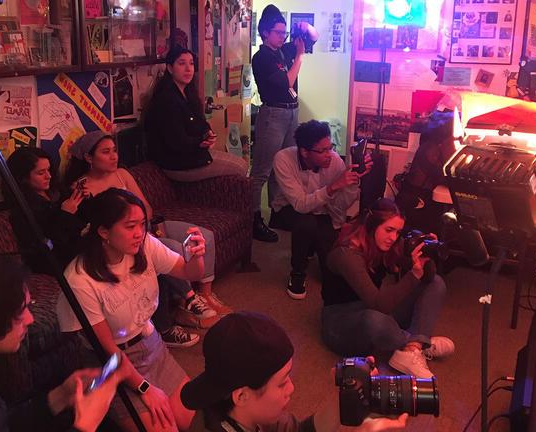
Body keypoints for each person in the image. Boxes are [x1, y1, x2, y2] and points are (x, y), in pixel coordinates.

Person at [0, 255, 130, 432]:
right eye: (19, 311)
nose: (30, 319)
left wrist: (59, 397)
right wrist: (85, 425)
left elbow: (3, 423)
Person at [56, 188, 202, 431]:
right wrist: (145, 388)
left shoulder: (144, 244)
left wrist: (196, 256)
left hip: (152, 346)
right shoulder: (80, 279)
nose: (139, 233)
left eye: (142, 224)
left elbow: (190, 273)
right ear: (103, 231)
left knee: (196, 422)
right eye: (130, 226)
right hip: (112, 366)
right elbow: (109, 350)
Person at [65, 131, 230, 339]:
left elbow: (147, 208)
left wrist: (140, 224)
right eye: (106, 152)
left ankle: (202, 294)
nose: (114, 156)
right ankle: (188, 300)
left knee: (202, 236)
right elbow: (90, 228)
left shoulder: (122, 174)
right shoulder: (81, 188)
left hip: (148, 227)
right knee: (169, 250)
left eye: (114, 151)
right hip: (121, 242)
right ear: (89, 158)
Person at [180, 311, 408, 432]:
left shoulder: (252, 414)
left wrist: (343, 398)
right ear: (241, 395)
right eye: (281, 383)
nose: (292, 388)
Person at [321, 198, 455, 378]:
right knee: (374, 319)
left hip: (372, 309)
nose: (393, 237)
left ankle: (412, 349)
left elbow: (428, 277)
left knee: (436, 283)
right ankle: (419, 343)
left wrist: (426, 254)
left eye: (398, 232)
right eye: (389, 230)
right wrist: (413, 275)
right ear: (371, 225)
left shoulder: (388, 244)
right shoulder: (347, 254)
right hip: (340, 324)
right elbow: (379, 305)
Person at [270, 120, 373, 300]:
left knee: (330, 272)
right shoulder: (283, 159)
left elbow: (341, 206)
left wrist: (353, 182)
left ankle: (310, 246)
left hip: (324, 212)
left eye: (330, 147)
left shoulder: (335, 162)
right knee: (306, 223)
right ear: (304, 151)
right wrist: (332, 187)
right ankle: (297, 273)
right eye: (322, 150)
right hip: (290, 209)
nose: (329, 154)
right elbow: (300, 204)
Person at [144, 45, 248, 181]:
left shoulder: (188, 93)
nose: (188, 69)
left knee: (242, 164)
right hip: (176, 163)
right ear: (170, 68)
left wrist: (208, 134)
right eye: (181, 64)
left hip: (193, 154)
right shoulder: (166, 99)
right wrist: (200, 141)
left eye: (191, 64)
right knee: (240, 167)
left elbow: (200, 123)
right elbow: (176, 142)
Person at [249, 5, 308, 243]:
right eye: (278, 32)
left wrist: (303, 29)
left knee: (283, 166)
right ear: (265, 33)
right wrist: (300, 57)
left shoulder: (281, 51)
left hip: (291, 113)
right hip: (273, 114)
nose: (282, 37)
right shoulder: (262, 57)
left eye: (284, 32)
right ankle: (253, 219)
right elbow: (286, 82)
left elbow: (311, 37)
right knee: (262, 170)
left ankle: (279, 213)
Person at [5, 147, 87, 274]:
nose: (48, 176)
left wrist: (83, 198)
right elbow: (48, 245)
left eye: (48, 170)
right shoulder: (24, 209)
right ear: (23, 177)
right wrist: (65, 215)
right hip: (56, 261)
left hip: (79, 245)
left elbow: (81, 219)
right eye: (41, 173)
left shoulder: (55, 191)